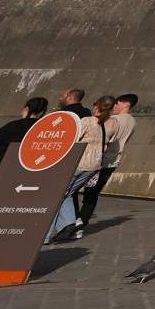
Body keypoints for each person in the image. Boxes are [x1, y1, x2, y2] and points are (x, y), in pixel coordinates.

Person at [49, 96, 113, 242]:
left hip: (80, 163)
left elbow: (73, 138)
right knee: (68, 193)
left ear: (96, 106)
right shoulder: (103, 124)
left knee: (60, 194)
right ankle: (72, 224)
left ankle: (56, 230)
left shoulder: (87, 121)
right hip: (94, 165)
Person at [77, 92, 136, 225]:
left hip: (100, 160)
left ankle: (77, 221)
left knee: (78, 191)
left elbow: (105, 139)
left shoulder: (114, 121)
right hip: (114, 161)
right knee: (92, 193)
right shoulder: (132, 121)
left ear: (126, 104)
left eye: (118, 103)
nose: (115, 106)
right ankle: (81, 221)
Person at [0, 97, 47, 205]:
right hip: (23, 165)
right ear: (42, 111)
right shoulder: (44, 128)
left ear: (27, 109)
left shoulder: (13, 125)